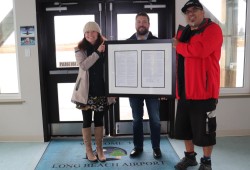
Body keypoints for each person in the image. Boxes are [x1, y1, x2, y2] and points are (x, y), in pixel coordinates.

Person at [172, 0, 223, 170]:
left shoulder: (213, 29)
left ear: (203, 12)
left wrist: (178, 46)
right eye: (188, 12)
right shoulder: (185, 32)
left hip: (204, 92)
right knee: (186, 129)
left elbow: (199, 51)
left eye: (194, 10)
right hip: (184, 92)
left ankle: (206, 162)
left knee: (206, 132)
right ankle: (190, 157)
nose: (191, 14)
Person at [71, 21, 115, 162]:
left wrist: (107, 47)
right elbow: (84, 65)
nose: (90, 34)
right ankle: (89, 150)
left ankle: (100, 150)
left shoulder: (106, 47)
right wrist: (97, 52)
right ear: (84, 34)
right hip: (86, 92)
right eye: (87, 32)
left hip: (102, 90)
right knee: (86, 120)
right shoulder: (79, 49)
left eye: (93, 31)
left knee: (99, 121)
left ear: (98, 33)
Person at [128, 12, 162, 159]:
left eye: (144, 22)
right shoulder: (126, 43)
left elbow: (163, 67)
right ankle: (138, 147)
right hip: (134, 89)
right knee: (136, 119)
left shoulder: (159, 43)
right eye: (139, 21)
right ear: (135, 24)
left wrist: (164, 89)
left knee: (155, 119)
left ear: (149, 24)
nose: (141, 24)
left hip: (153, 88)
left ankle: (156, 147)